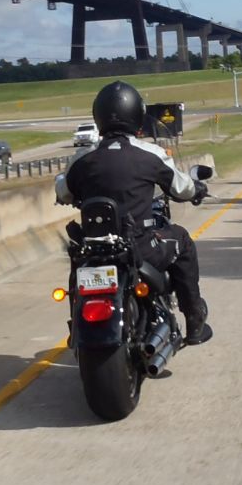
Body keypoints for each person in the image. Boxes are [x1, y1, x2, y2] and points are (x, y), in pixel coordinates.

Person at [58, 81, 213, 345]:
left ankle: (76, 326)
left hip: (93, 251)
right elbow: (182, 188)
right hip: (140, 247)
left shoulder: (81, 159)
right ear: (137, 115)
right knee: (183, 240)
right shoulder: (150, 154)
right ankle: (194, 320)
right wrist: (197, 188)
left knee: (77, 267)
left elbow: (63, 192)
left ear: (98, 115)